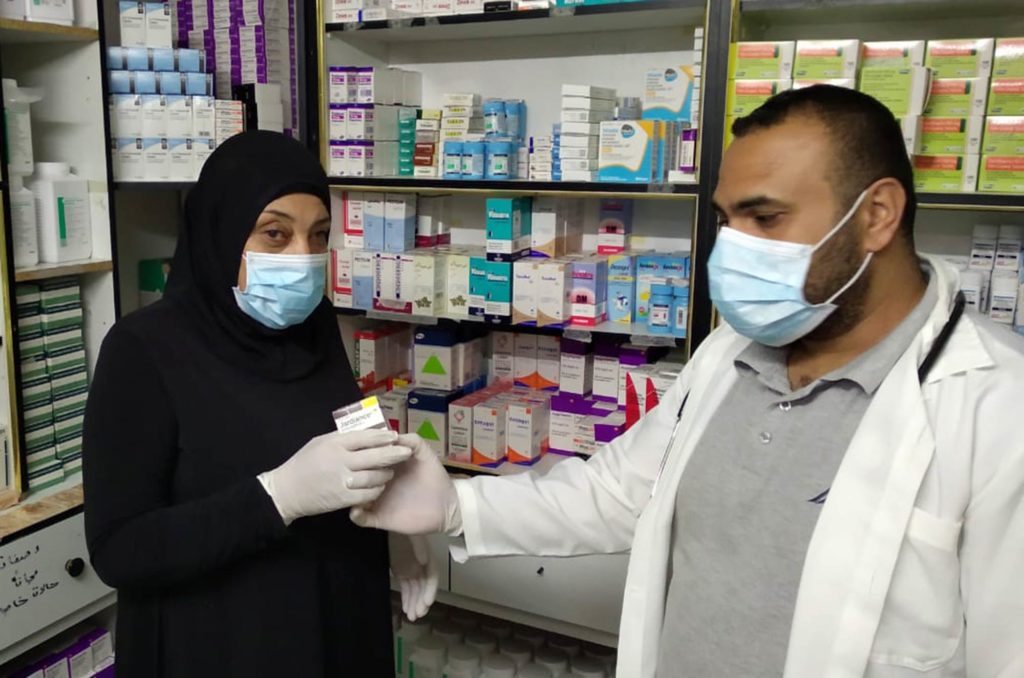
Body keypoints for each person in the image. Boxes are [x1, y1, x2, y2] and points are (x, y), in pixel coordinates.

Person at [353, 86, 1024, 677]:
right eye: (727, 221)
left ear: (878, 214)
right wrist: (458, 508)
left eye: (765, 218)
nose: (731, 250)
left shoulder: (995, 405)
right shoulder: (734, 350)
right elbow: (618, 491)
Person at [83, 131, 436, 677]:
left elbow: (345, 427)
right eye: (275, 234)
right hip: (221, 644)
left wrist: (394, 520)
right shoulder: (144, 350)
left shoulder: (311, 325)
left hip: (335, 625)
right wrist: (276, 496)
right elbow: (120, 548)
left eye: (319, 235)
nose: (303, 259)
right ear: (220, 233)